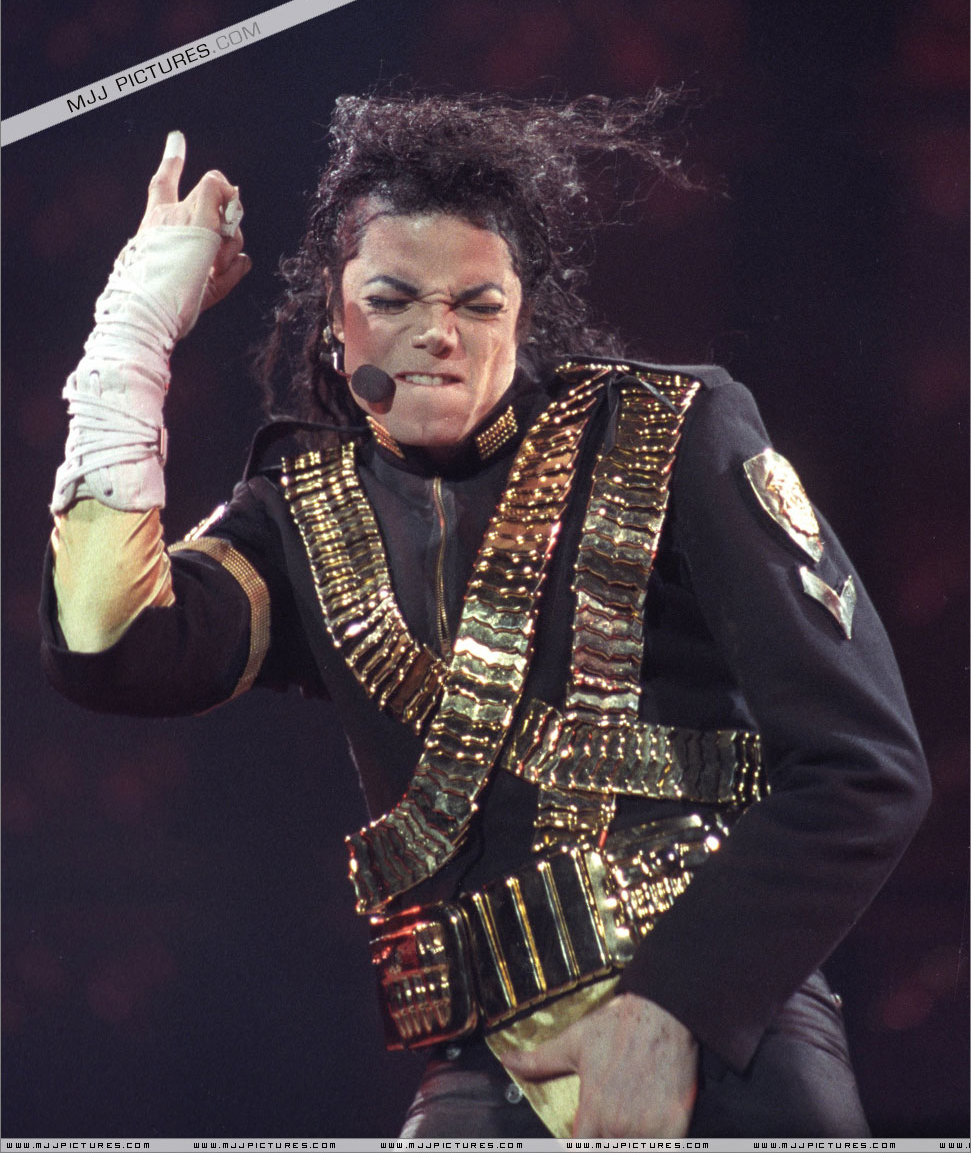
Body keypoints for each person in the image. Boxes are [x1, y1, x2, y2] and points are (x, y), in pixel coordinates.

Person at [40, 93, 930, 1138]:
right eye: (392, 298)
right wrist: (135, 330)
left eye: (477, 302)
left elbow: (863, 768)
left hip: (724, 1037)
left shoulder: (665, 432)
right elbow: (106, 644)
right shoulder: (296, 514)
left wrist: (671, 1009)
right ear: (333, 308)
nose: (436, 333)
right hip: (481, 1064)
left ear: (522, 313)